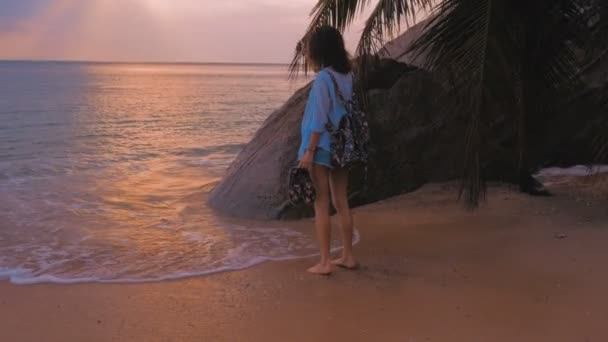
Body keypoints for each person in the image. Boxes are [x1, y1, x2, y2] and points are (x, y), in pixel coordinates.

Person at [297, 25, 358, 275]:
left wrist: (309, 151)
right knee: (341, 201)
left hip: (322, 147)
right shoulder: (347, 76)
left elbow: (319, 119)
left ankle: (324, 262)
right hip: (342, 146)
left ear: (319, 50)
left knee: (321, 204)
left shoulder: (323, 78)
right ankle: (347, 256)